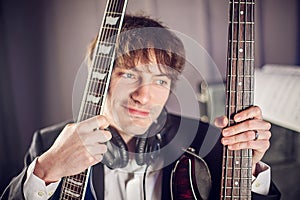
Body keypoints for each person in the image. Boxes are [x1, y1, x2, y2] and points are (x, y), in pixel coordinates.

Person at [1, 15, 280, 200]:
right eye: (129, 75)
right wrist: (45, 170)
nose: (144, 96)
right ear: (98, 79)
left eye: (160, 80)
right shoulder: (50, 143)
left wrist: (249, 170)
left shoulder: (207, 141)